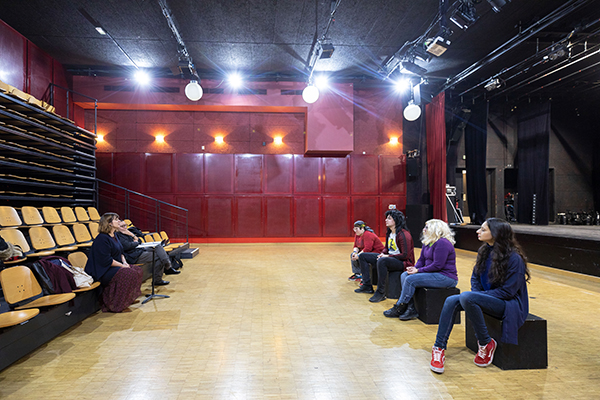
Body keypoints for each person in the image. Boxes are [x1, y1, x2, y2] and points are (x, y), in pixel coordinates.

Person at [430, 218, 530, 374]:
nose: (478, 231)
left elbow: (508, 292)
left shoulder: (514, 258)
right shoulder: (484, 251)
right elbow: (475, 277)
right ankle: (438, 348)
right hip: (486, 296)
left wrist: (478, 296)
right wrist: (478, 295)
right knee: (451, 300)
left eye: (483, 230)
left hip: (508, 303)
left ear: (496, 233)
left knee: (467, 297)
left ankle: (485, 343)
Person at [383, 219, 458, 320]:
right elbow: (421, 260)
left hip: (445, 277)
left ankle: (400, 306)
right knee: (405, 275)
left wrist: (418, 271)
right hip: (433, 274)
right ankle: (410, 308)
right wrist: (415, 268)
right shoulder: (428, 242)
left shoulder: (442, 243)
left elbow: (437, 265)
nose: (424, 229)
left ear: (435, 229)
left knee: (410, 280)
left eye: (427, 227)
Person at [85, 213, 143, 312]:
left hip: (114, 266)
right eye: (116, 219)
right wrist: (122, 266)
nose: (119, 221)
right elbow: (106, 260)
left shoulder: (114, 235)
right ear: (109, 223)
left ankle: (126, 299)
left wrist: (125, 262)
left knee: (137, 270)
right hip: (103, 269)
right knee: (128, 273)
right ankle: (116, 304)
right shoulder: (102, 238)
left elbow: (121, 252)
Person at [355, 209, 415, 303]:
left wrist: (387, 257)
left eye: (389, 218)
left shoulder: (404, 234)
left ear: (396, 220)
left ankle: (381, 292)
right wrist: (383, 253)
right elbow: (386, 248)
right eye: (386, 218)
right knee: (363, 256)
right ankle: (367, 285)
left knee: (382, 261)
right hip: (391, 258)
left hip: (403, 262)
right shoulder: (390, 233)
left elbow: (405, 255)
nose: (386, 220)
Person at [115, 220, 180, 286]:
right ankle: (164, 271)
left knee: (158, 246)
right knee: (158, 256)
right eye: (122, 226)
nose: (125, 227)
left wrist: (132, 235)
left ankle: (167, 267)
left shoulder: (127, 233)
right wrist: (135, 242)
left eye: (125, 225)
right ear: (117, 228)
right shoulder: (118, 235)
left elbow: (140, 240)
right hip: (133, 256)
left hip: (139, 250)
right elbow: (127, 246)